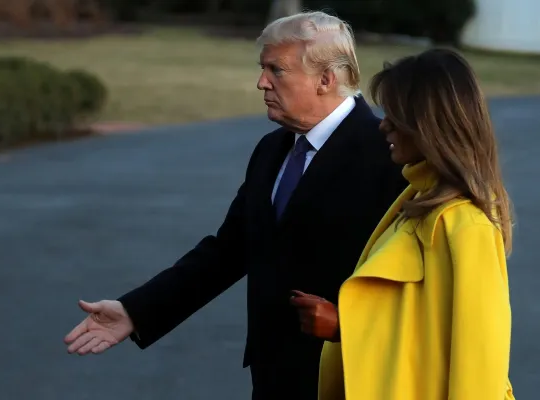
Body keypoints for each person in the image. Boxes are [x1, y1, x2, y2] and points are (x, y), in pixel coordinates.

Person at [63, 11, 407, 399]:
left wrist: (348, 325)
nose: (262, 82)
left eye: (276, 70)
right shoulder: (272, 150)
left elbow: (413, 286)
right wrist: (136, 311)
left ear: (325, 79)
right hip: (272, 377)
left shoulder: (388, 155)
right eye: (263, 68)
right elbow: (228, 251)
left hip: (351, 377)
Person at [308, 48, 516, 400]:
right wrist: (345, 327)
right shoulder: (417, 199)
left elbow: (479, 365)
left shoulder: (465, 225)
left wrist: (344, 324)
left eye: (395, 115)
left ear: (430, 125)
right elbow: (419, 327)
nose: (383, 125)